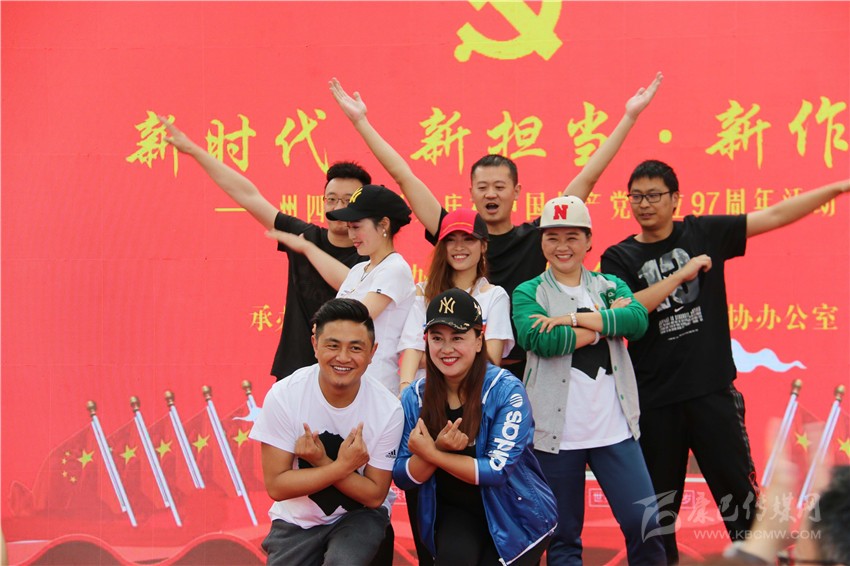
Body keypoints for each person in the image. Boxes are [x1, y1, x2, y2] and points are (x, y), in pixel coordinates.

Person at [329, 73, 662, 379]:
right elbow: (404, 177)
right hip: (454, 373)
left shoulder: (535, 238)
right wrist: (361, 122)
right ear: (471, 192)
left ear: (516, 191)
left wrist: (629, 117)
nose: (491, 194)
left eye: (500, 187)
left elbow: (586, 180)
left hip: (527, 371)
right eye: (483, 187)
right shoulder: (453, 233)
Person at [599, 160, 850, 563]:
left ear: (675, 199)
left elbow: (774, 215)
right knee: (656, 518)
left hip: (712, 395)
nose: (644, 204)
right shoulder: (618, 257)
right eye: (637, 196)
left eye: (654, 195)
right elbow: (628, 312)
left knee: (743, 507)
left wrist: (835, 189)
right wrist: (680, 276)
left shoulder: (702, 233)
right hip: (654, 402)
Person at [512, 196, 666, 565]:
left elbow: (637, 321)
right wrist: (602, 325)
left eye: (572, 237)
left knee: (645, 524)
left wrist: (572, 319)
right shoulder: (528, 292)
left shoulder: (609, 285)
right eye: (552, 237)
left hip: (615, 429)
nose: (562, 246)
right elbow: (543, 341)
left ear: (589, 240)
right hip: (555, 436)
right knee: (563, 538)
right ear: (541, 242)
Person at [159, 116, 370, 380]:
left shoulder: (371, 257)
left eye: (348, 201)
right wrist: (194, 151)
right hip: (295, 370)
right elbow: (248, 195)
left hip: (347, 373)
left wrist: (306, 249)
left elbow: (353, 285)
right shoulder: (305, 235)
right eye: (331, 199)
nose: (337, 207)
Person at [394, 289, 558, 565]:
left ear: (479, 340)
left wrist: (432, 453)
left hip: (515, 513)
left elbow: (496, 470)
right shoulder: (414, 397)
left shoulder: (507, 390)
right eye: (437, 338)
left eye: (457, 337)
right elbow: (402, 476)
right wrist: (436, 451)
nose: (446, 349)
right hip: (456, 513)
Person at [249, 298, 404, 565]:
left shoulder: (388, 409)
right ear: (315, 345)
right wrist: (342, 466)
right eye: (333, 345)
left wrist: (320, 461)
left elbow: (374, 495)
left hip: (359, 516)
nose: (343, 358)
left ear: (372, 352)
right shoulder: (285, 395)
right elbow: (277, 485)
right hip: (296, 522)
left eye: (355, 348)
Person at [267, 184, 415, 394]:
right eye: (349, 227)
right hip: (345, 381)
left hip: (376, 384)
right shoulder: (358, 270)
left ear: (383, 225)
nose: (351, 234)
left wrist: (323, 325)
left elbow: (356, 317)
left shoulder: (395, 268)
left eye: (357, 227)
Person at [397, 208, 514, 392]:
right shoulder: (423, 292)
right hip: (426, 394)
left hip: (473, 394)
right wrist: (405, 390)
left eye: (468, 239)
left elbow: (491, 358)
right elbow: (412, 349)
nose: (459, 247)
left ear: (484, 246)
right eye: (451, 240)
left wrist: (433, 356)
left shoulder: (495, 296)